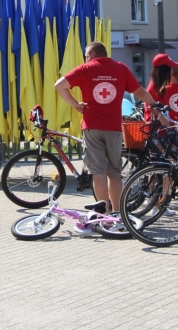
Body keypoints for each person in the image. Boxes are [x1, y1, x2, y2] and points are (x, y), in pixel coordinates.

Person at [55, 41, 156, 213]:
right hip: (114, 128)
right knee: (115, 173)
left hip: (91, 126)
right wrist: (154, 105)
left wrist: (75, 105)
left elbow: (59, 86)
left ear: (92, 55)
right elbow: (140, 92)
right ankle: (117, 212)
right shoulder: (121, 68)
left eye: (86, 56)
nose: (86, 59)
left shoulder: (85, 69)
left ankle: (104, 214)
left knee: (98, 172)